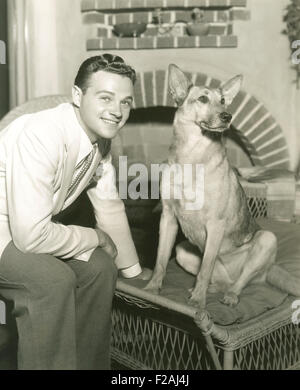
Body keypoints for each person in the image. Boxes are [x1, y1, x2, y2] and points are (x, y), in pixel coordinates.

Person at [0, 54, 150, 370]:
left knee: (100, 268)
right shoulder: (42, 132)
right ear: (78, 96)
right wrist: (95, 237)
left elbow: (109, 206)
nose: (117, 111)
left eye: (125, 102)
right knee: (50, 281)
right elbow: (30, 238)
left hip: (32, 227)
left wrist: (132, 271)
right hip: (6, 232)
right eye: (105, 98)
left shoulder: (101, 141)